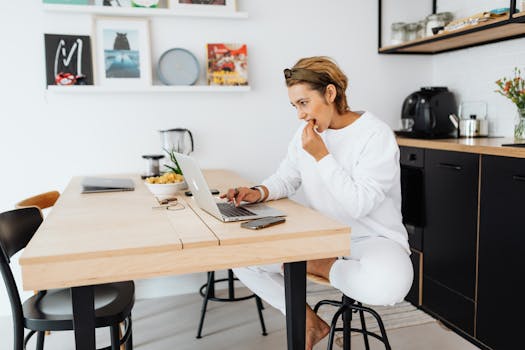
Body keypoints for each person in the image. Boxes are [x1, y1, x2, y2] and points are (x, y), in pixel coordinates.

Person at [222, 56, 413, 350]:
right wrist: (257, 192)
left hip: (372, 238)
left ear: (330, 94)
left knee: (392, 285)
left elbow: (359, 205)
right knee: (241, 259)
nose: (300, 115)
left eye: (303, 103)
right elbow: (286, 178)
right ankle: (308, 321)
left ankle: (321, 266)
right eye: (295, 106)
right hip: (324, 237)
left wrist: (322, 156)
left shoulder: (374, 134)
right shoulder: (305, 135)